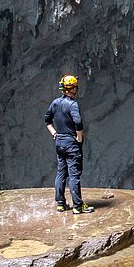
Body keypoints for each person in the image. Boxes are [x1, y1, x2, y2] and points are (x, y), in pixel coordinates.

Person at [45, 75, 94, 214]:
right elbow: (78, 122)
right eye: (75, 87)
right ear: (71, 89)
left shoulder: (55, 103)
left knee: (61, 172)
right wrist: (79, 137)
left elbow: (47, 120)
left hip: (59, 142)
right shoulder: (72, 104)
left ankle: (60, 203)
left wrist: (54, 133)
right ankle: (77, 206)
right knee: (74, 175)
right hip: (71, 143)